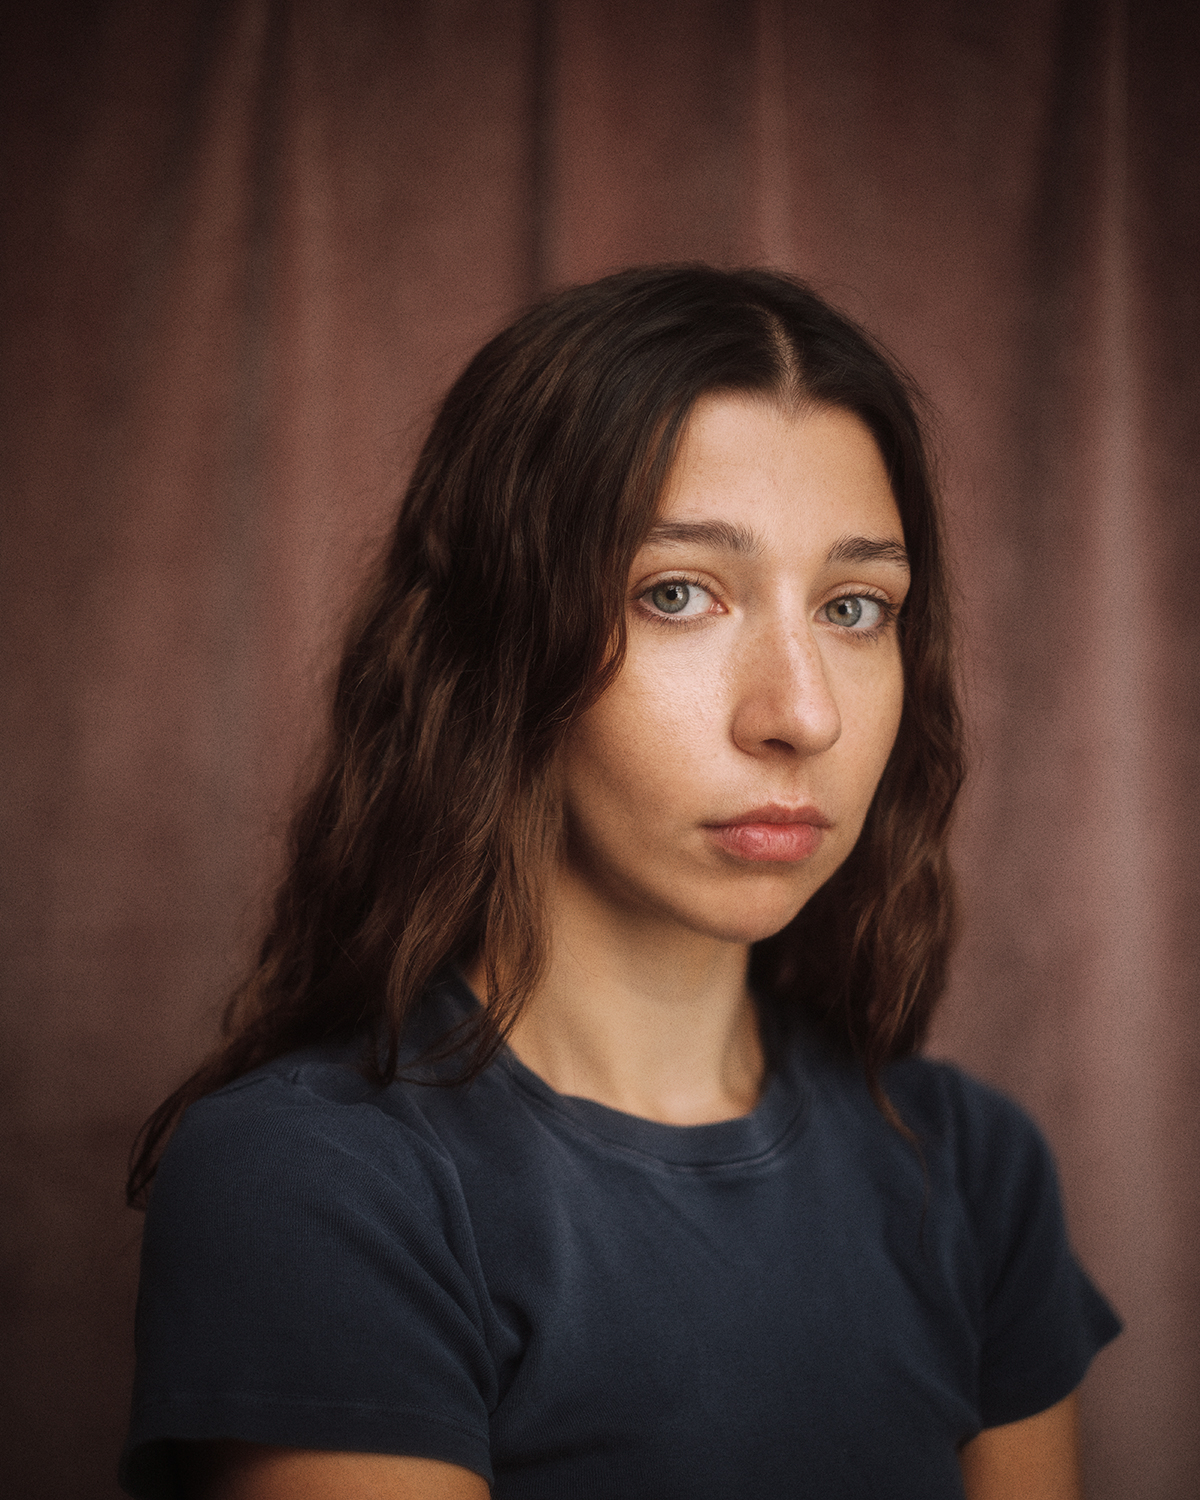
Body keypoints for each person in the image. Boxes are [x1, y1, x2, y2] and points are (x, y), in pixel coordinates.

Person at [120, 265, 1120, 1500]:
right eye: (679, 594)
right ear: (496, 644)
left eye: (857, 607)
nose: (801, 714)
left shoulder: (970, 1169)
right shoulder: (319, 1179)